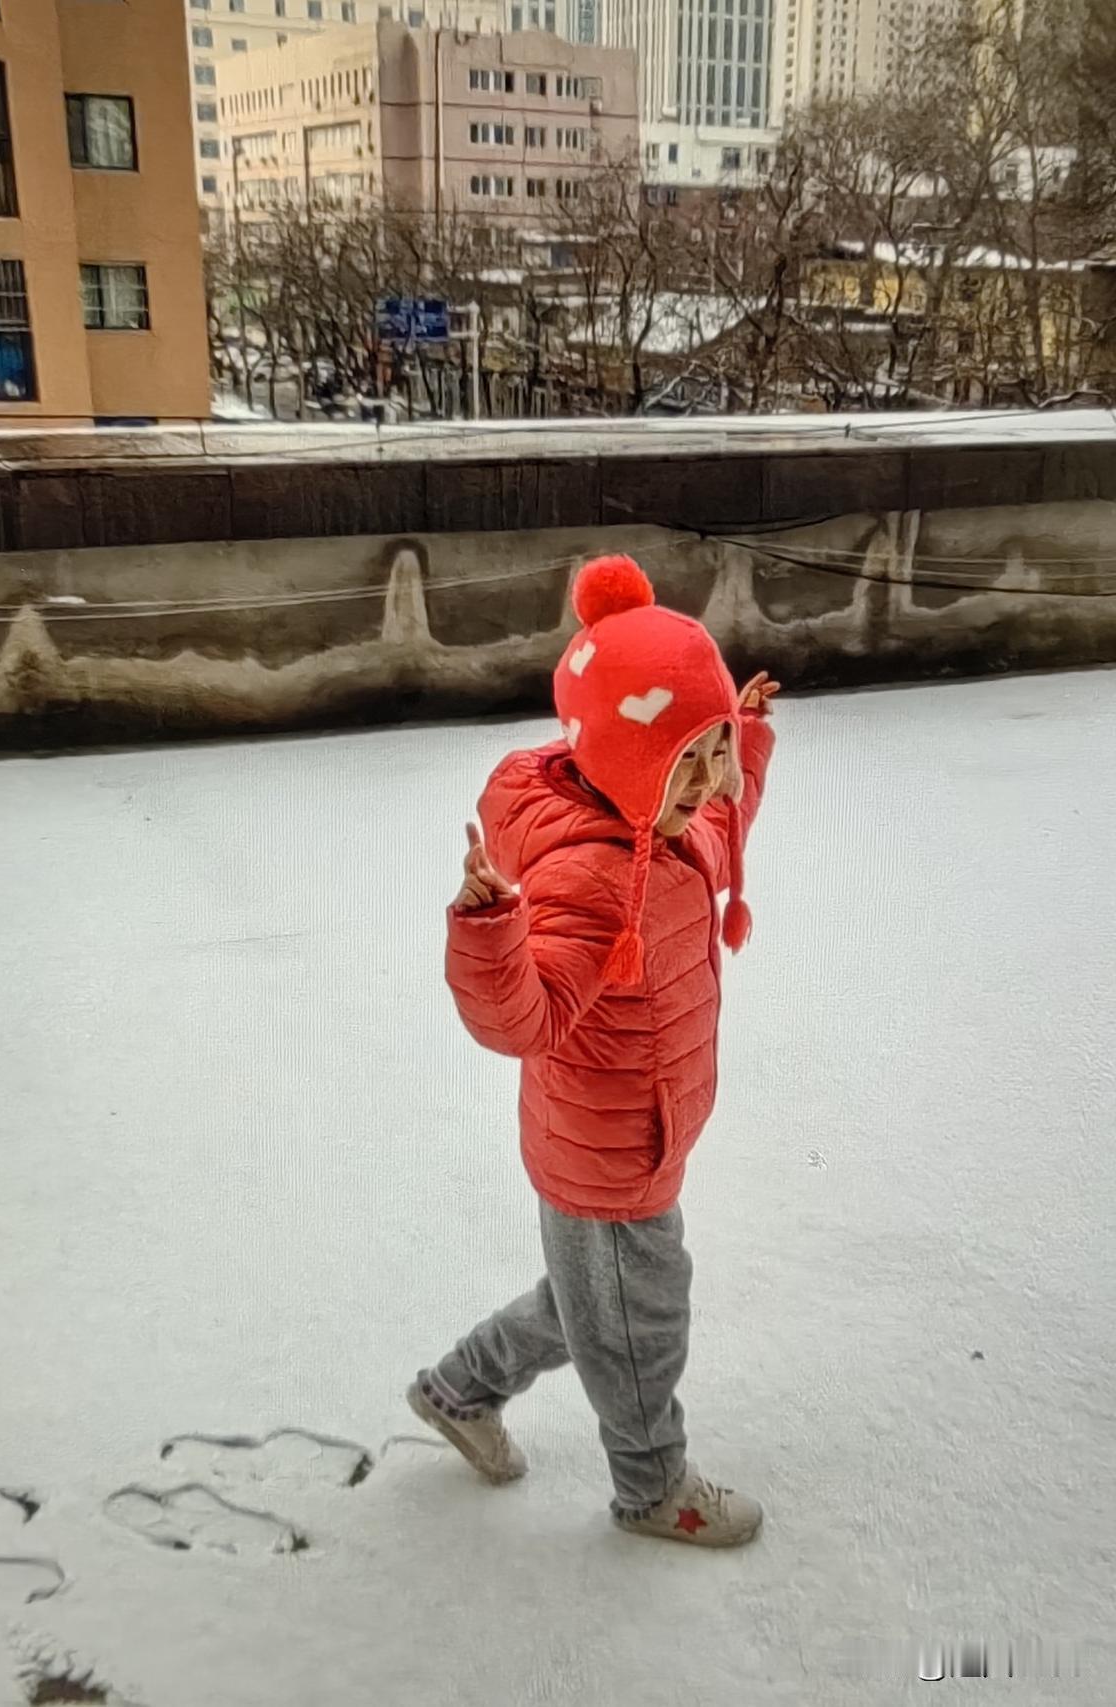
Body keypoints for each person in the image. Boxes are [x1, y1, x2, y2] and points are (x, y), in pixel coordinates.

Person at [407, 552, 778, 1548]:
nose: (706, 786)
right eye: (684, 760)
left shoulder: (665, 819)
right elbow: (519, 1023)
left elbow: (721, 811)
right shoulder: (588, 876)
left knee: (593, 1304)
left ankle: (456, 1389)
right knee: (636, 1326)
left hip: (635, 1132)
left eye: (712, 755)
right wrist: (490, 935)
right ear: (618, 757)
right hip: (604, 1150)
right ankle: (653, 1488)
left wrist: (737, 730)